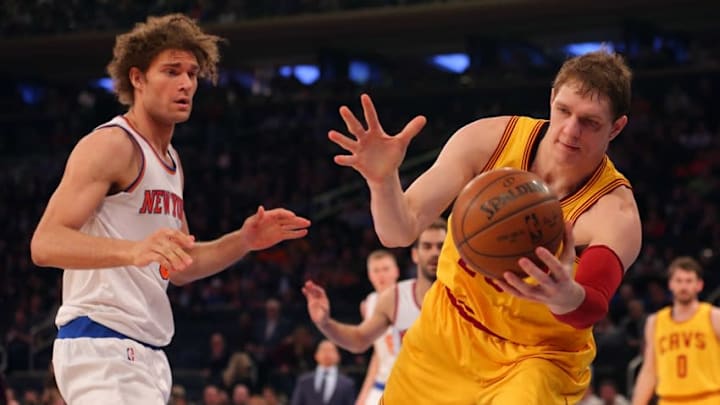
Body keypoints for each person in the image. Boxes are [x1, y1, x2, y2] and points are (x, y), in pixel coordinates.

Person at [328, 49, 642, 404]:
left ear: (616, 127)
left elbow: (593, 305)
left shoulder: (614, 213)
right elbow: (399, 232)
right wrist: (383, 182)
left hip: (535, 356)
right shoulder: (489, 140)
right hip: (447, 327)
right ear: (552, 98)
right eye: (564, 111)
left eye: (590, 122)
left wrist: (565, 296)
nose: (570, 131)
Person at [29, 14, 310, 405]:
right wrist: (133, 250)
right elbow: (44, 244)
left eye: (193, 74)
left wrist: (244, 239)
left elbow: (184, 266)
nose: (186, 84)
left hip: (148, 352)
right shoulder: (113, 145)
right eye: (171, 71)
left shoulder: (171, 162)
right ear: (138, 79)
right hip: (102, 342)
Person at [302, 220, 446, 400]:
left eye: (441, 246)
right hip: (400, 391)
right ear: (415, 254)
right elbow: (360, 340)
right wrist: (325, 323)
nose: (435, 252)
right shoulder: (391, 300)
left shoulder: (469, 297)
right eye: (427, 246)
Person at [631, 257, 720, 405]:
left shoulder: (713, 316)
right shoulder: (655, 322)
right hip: (669, 400)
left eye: (688, 281)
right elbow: (649, 371)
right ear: (670, 284)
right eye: (679, 281)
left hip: (709, 398)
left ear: (699, 285)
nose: (683, 286)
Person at [356, 249, 399, 405]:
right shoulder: (368, 304)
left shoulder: (413, 298)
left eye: (386, 269)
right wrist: (363, 396)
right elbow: (378, 354)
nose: (381, 275)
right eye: (376, 270)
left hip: (411, 386)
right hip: (380, 385)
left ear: (396, 271)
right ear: (370, 275)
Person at [289, 340, 356, 405]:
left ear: (338, 356)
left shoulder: (347, 384)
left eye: (330, 350)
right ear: (316, 355)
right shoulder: (304, 381)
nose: (327, 354)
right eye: (323, 350)